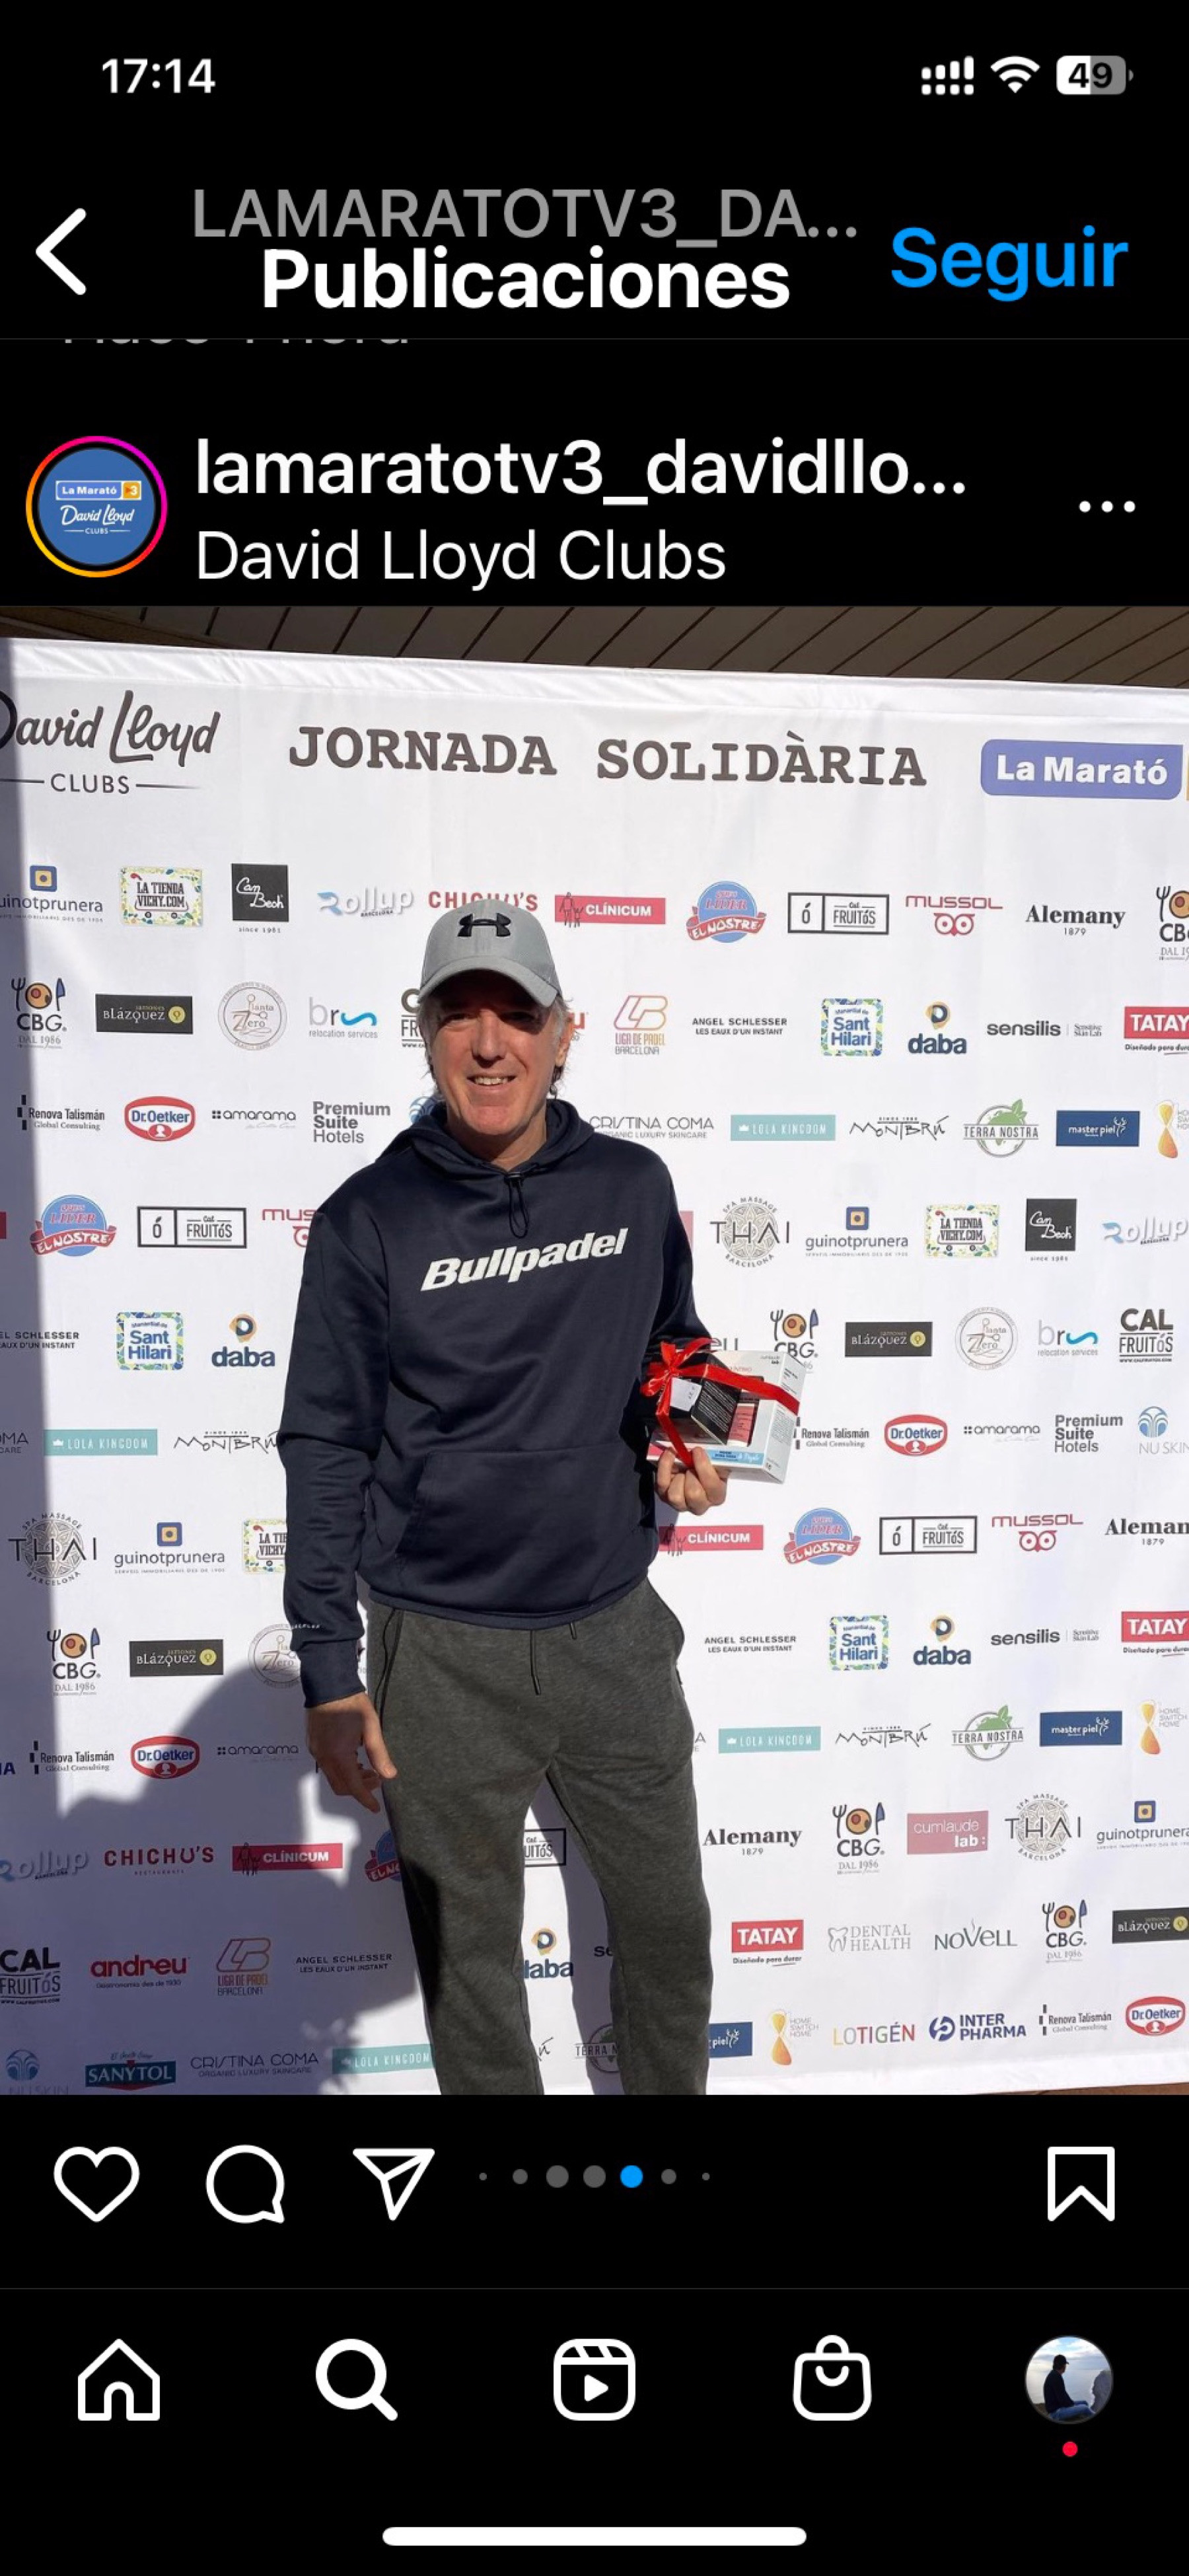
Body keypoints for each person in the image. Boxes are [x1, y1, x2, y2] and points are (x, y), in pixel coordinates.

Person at [277, 901, 727, 2096]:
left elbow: (674, 1352)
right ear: (423, 1031)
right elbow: (324, 1440)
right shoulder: (369, 1218)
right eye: (458, 1012)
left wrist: (690, 1436)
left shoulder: (633, 1186)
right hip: (439, 1653)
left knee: (671, 1929)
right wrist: (328, 1665)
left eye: (516, 1012)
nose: (488, 1042)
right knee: (470, 1969)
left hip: (612, 1631)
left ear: (564, 1032)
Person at [1041, 2353, 1091, 2421]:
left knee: (1085, 2403)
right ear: (1063, 2366)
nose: (1066, 2367)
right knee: (1085, 2408)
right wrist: (1072, 2405)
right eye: (1065, 2364)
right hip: (1056, 2413)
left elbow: (1063, 2395)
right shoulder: (1056, 2377)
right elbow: (1062, 2400)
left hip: (1059, 2407)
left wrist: (1072, 2404)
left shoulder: (1054, 2374)